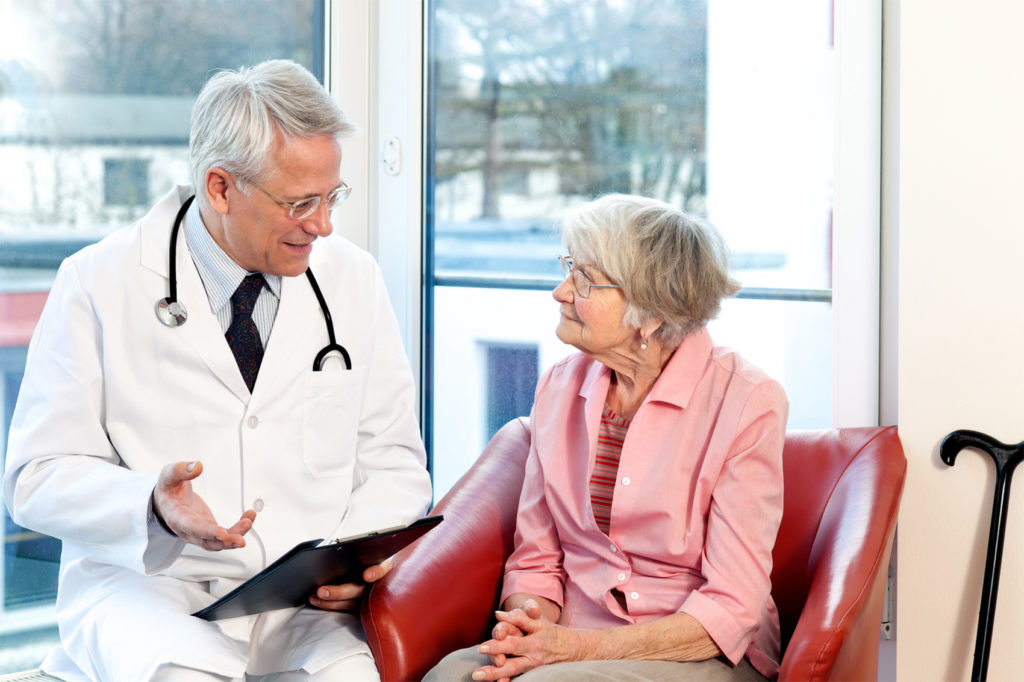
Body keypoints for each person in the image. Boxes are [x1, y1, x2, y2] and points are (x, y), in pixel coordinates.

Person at [2, 60, 432, 681]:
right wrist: (151, 503)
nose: (324, 224)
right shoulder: (98, 280)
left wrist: (354, 560)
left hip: (298, 602)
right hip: (147, 588)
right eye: (300, 202)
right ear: (221, 187)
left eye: (332, 196)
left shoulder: (352, 278)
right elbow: (34, 479)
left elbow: (391, 457)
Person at [425, 194, 788, 681]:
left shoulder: (747, 400)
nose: (559, 291)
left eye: (584, 280)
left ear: (650, 311)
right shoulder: (559, 385)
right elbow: (536, 557)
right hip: (574, 640)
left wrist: (570, 651)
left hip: (694, 651)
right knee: (451, 674)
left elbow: (733, 606)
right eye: (569, 268)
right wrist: (529, 629)